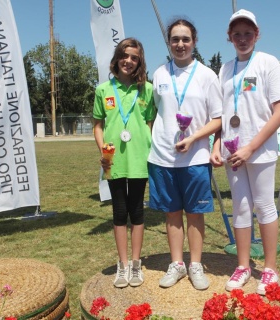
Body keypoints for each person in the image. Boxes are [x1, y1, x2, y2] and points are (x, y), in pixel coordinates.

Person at [210, 9, 280, 295]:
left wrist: (251, 147)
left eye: (248, 33)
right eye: (237, 34)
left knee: (264, 205)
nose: (242, 38)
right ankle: (243, 266)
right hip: (233, 151)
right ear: (229, 37)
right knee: (241, 208)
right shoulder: (225, 68)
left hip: (259, 150)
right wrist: (217, 144)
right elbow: (222, 113)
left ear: (257, 35)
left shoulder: (268, 63)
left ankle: (269, 268)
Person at [147, 18, 223, 290]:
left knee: (194, 214)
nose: (180, 44)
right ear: (168, 42)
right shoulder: (159, 74)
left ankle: (195, 265)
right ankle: (177, 264)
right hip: (163, 158)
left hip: (195, 157)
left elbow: (218, 119)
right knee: (171, 213)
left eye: (185, 39)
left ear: (194, 42)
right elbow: (154, 113)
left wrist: (192, 139)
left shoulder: (206, 75)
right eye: (175, 39)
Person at [93, 38, 155, 288]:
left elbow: (150, 121)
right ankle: (123, 264)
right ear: (117, 58)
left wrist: (146, 142)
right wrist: (103, 149)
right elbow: (98, 125)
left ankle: (136, 264)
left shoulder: (147, 90)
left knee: (137, 210)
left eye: (134, 58)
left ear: (139, 62)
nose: (129, 61)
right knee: (119, 212)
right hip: (112, 158)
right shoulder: (103, 90)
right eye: (125, 56)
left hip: (139, 157)